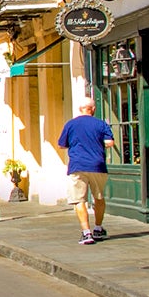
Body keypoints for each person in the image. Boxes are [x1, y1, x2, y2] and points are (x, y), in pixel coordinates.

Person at [58, 96, 115, 245]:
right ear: (93, 109)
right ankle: (98, 228)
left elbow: (61, 144)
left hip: (77, 166)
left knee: (79, 200)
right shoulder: (101, 124)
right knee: (99, 197)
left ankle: (86, 233)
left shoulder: (70, 124)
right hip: (97, 165)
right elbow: (109, 142)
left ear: (80, 109)